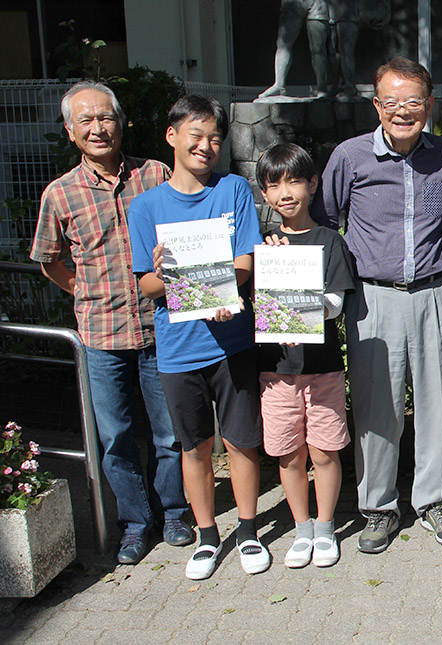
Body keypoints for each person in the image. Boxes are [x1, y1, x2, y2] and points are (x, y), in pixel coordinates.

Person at [30, 80, 193, 565]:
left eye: (106, 118)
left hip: (160, 326)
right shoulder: (60, 194)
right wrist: (84, 290)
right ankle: (135, 524)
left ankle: (175, 513)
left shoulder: (156, 173)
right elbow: (48, 259)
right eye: (87, 120)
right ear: (70, 131)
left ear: (122, 123)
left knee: (169, 433)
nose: (98, 128)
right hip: (101, 335)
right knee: (117, 438)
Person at [314, 57, 442, 554]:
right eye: (392, 102)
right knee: (378, 407)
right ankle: (378, 507)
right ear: (376, 105)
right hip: (372, 299)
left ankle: (435, 500)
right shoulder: (350, 156)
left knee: (435, 403)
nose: (403, 111)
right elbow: (321, 223)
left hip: (434, 293)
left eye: (414, 102)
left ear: (429, 104)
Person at [128, 95, 268, 580]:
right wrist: (173, 276)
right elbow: (145, 282)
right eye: (197, 136)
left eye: (214, 138)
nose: (206, 146)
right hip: (178, 347)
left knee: (243, 442)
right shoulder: (145, 207)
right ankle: (207, 537)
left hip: (231, 341)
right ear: (172, 137)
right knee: (194, 447)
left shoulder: (233, 190)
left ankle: (248, 531)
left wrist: (226, 286)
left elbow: (245, 261)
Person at [256, 143, 354, 568]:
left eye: (294, 180)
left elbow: (336, 304)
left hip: (323, 367)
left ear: (313, 184)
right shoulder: (260, 244)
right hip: (275, 370)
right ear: (264, 193)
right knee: (288, 453)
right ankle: (301, 528)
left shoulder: (330, 241)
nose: (285, 192)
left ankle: (326, 526)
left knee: (325, 451)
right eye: (274, 184)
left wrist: (300, 310)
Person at [258, 0, 331, 98]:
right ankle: (279, 84)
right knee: (283, 44)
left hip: (317, 4)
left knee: (318, 48)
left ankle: (322, 88)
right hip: (293, 3)